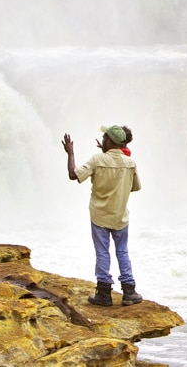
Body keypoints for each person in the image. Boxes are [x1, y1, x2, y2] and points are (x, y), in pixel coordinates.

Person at [62, 125, 143, 306]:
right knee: (122, 252)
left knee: (102, 252)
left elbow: (72, 174)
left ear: (108, 141)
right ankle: (129, 291)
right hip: (120, 216)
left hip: (99, 216)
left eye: (105, 137)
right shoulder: (130, 162)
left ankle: (104, 292)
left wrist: (70, 153)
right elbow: (136, 187)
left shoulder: (97, 159)